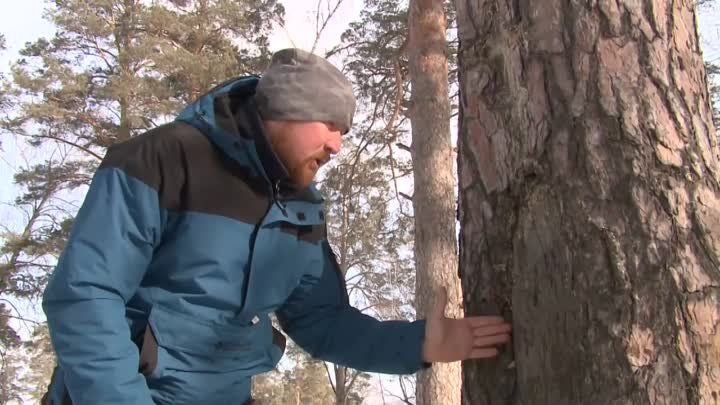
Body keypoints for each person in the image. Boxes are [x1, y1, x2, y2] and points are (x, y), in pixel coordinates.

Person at [41, 48, 512, 405]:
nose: (337, 145)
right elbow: (86, 295)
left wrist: (420, 343)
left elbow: (322, 322)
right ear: (284, 111)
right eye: (330, 124)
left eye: (344, 131)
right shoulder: (163, 159)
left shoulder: (302, 212)